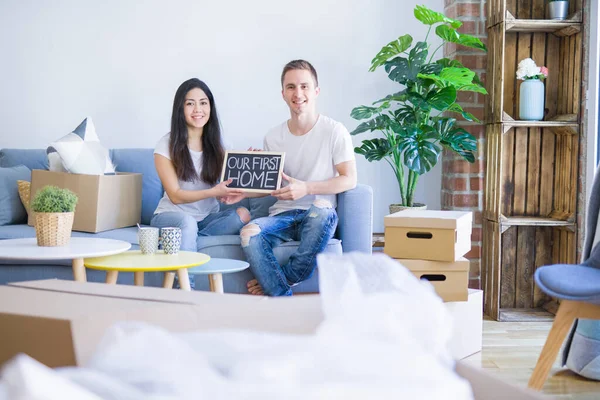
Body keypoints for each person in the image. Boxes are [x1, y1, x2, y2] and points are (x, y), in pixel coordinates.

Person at [222, 60, 357, 296]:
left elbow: (349, 179)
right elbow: (269, 187)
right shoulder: (273, 137)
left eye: (304, 86)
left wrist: (306, 188)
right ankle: (280, 293)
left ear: (316, 91)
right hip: (282, 215)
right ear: (283, 94)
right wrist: (245, 189)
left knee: (322, 210)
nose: (298, 93)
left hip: (317, 212)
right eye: (291, 87)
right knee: (249, 232)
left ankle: (277, 281)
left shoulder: (335, 131)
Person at [151, 78, 250, 287]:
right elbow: (176, 195)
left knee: (243, 214)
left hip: (206, 220)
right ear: (180, 108)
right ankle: (187, 289)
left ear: (210, 107)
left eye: (203, 103)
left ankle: (189, 238)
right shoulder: (166, 145)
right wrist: (213, 192)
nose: (198, 109)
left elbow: (232, 186)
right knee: (186, 223)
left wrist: (248, 163)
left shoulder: (221, 145)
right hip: (171, 217)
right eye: (190, 103)